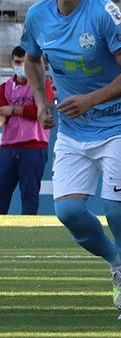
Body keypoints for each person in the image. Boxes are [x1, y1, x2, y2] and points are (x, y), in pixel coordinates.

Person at [21, 0, 121, 319]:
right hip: (74, 133)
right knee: (69, 213)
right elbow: (31, 60)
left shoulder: (104, 14)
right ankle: (117, 265)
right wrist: (44, 101)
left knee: (116, 210)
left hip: (116, 127)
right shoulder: (38, 15)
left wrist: (90, 100)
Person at [0, 46, 54, 215]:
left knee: (29, 195)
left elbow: (40, 111)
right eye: (17, 62)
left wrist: (13, 110)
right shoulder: (4, 87)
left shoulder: (44, 84)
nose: (21, 66)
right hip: (8, 146)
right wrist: (8, 112)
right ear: (12, 63)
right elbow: (2, 114)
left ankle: (28, 234)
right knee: (1, 194)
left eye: (25, 63)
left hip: (34, 146)